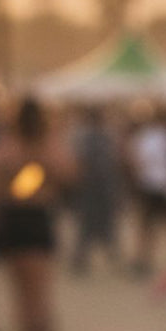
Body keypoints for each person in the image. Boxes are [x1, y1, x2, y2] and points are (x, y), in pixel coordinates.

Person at [0, 96, 76, 331]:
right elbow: (68, 174)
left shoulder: (9, 145)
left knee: (25, 290)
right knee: (36, 290)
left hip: (19, 218)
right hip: (30, 218)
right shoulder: (45, 145)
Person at [68, 105, 124, 274]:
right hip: (92, 187)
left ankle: (107, 256)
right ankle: (83, 257)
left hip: (101, 187)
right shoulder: (88, 138)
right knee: (89, 224)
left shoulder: (103, 137)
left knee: (102, 224)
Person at [127, 108, 166, 276]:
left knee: (146, 226)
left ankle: (142, 260)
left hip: (149, 184)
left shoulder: (144, 136)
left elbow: (135, 161)